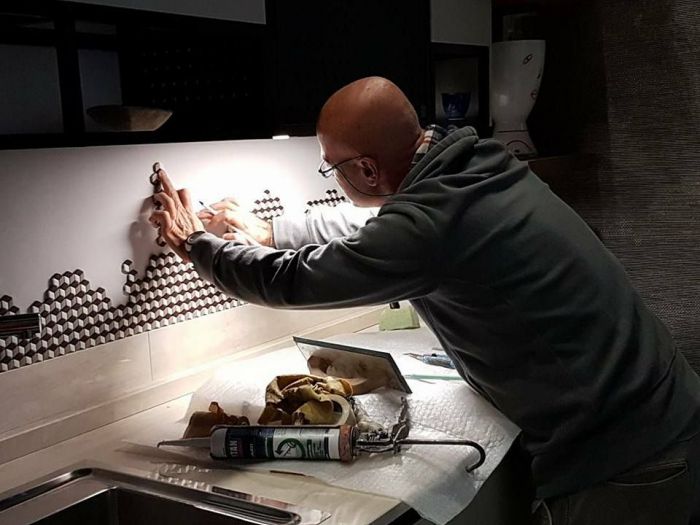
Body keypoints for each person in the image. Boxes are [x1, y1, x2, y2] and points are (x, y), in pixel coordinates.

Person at [150, 77, 700, 524]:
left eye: (332, 167)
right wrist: (272, 230)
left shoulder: (432, 225)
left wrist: (196, 245)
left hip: (626, 456)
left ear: (367, 169)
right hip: (666, 413)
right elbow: (385, 226)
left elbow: (291, 282)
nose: (333, 178)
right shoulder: (475, 164)